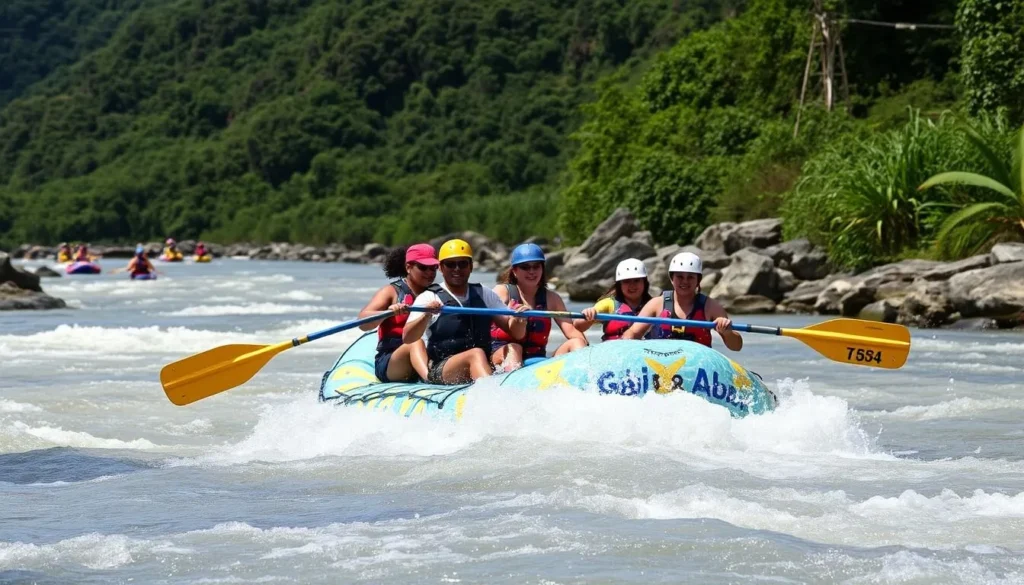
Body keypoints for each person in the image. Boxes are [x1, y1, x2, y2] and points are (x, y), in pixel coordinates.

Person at [403, 239, 528, 384]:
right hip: (443, 367)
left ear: (471, 267)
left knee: (514, 348)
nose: (457, 269)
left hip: (483, 358)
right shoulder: (429, 297)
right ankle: (493, 392)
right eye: (450, 264)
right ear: (441, 268)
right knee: (475, 354)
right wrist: (426, 315)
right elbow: (408, 338)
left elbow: (517, 334)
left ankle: (513, 388)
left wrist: (519, 321)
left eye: (462, 264)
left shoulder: (484, 293)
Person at [490, 243, 589, 370]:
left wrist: (587, 348)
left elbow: (571, 331)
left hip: (537, 361)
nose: (531, 271)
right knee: (515, 348)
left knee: (577, 342)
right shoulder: (501, 292)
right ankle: (511, 379)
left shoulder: (552, 298)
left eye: (536, 266)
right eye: (525, 267)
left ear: (542, 269)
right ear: (514, 271)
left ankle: (587, 375)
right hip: (502, 355)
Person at [621, 252, 742, 351]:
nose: (685, 281)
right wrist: (628, 340)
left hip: (696, 368)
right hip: (660, 365)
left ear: (698, 280)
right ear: (672, 278)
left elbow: (736, 347)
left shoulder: (712, 307)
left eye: (690, 277)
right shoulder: (656, 304)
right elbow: (633, 332)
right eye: (680, 277)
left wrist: (727, 333)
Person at [357, 244, 436, 383]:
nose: (429, 273)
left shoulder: (437, 293)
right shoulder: (391, 292)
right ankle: (430, 380)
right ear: (408, 267)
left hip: (427, 354)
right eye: (423, 267)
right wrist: (388, 312)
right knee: (415, 341)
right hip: (391, 360)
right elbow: (362, 322)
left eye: (433, 268)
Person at [574, 258, 653, 341]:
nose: (632, 285)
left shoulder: (654, 304)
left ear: (644, 282)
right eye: (626, 281)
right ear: (619, 284)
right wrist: (589, 314)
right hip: (614, 347)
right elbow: (577, 326)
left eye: (636, 280)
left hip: (647, 348)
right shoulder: (608, 304)